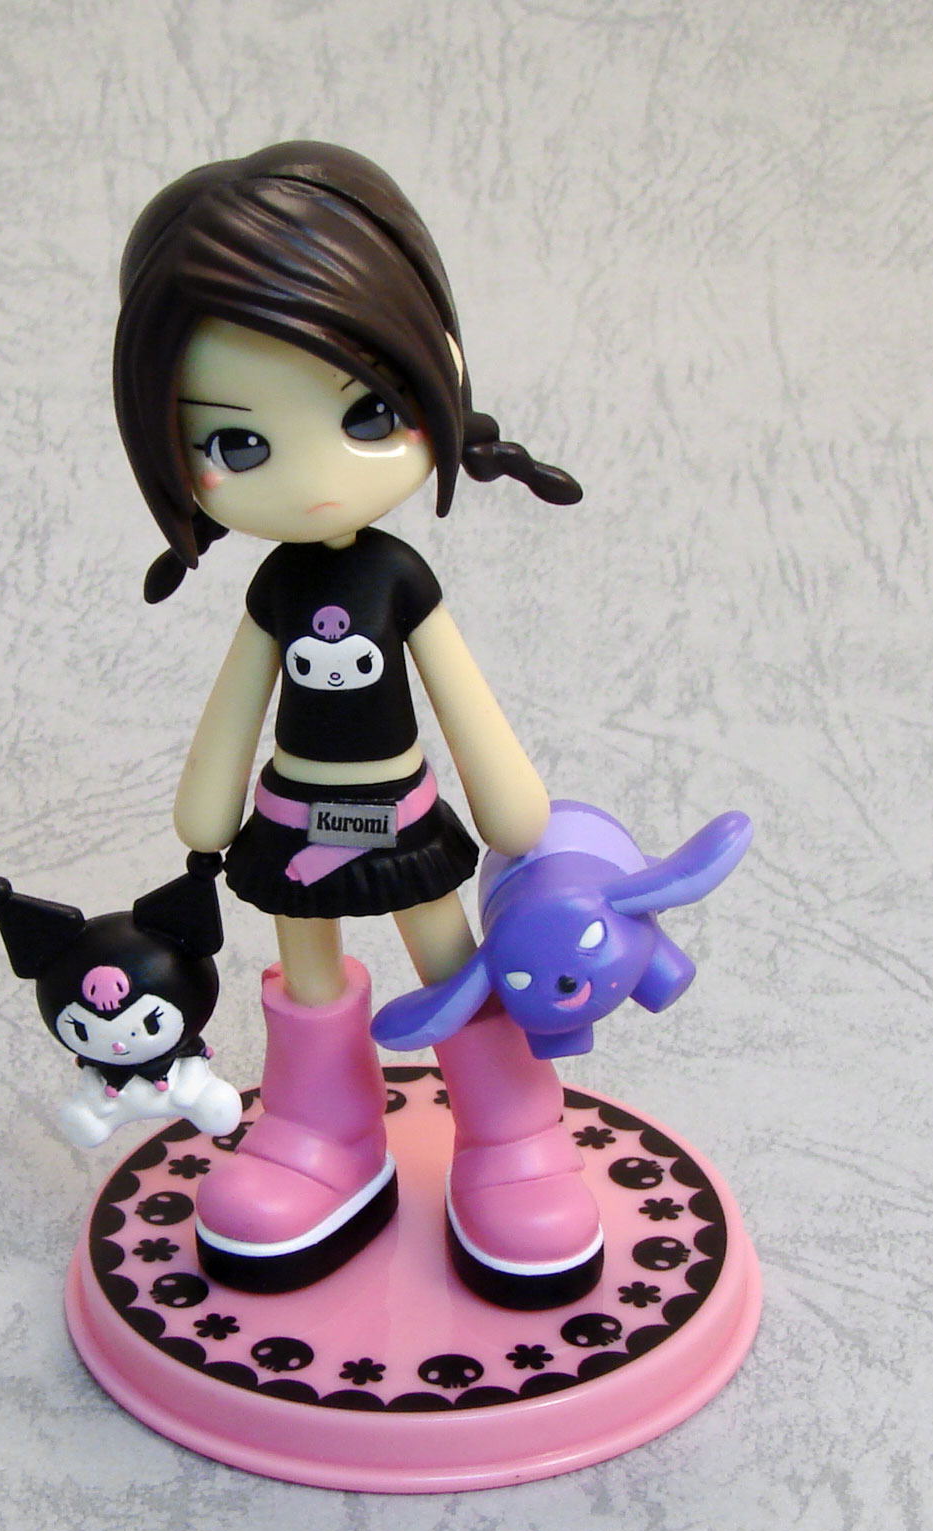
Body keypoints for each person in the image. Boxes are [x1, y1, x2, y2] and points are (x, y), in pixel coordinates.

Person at [111, 142, 603, 1307]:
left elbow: (459, 694)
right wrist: (208, 806)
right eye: (238, 442)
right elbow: (237, 703)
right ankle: (320, 1130)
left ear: (442, 374)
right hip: (294, 816)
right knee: (307, 955)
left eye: (369, 413)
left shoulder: (400, 580)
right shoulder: (274, 589)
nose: (315, 477)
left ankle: (512, 1130)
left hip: (401, 808)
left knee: (450, 956)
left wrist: (507, 800)